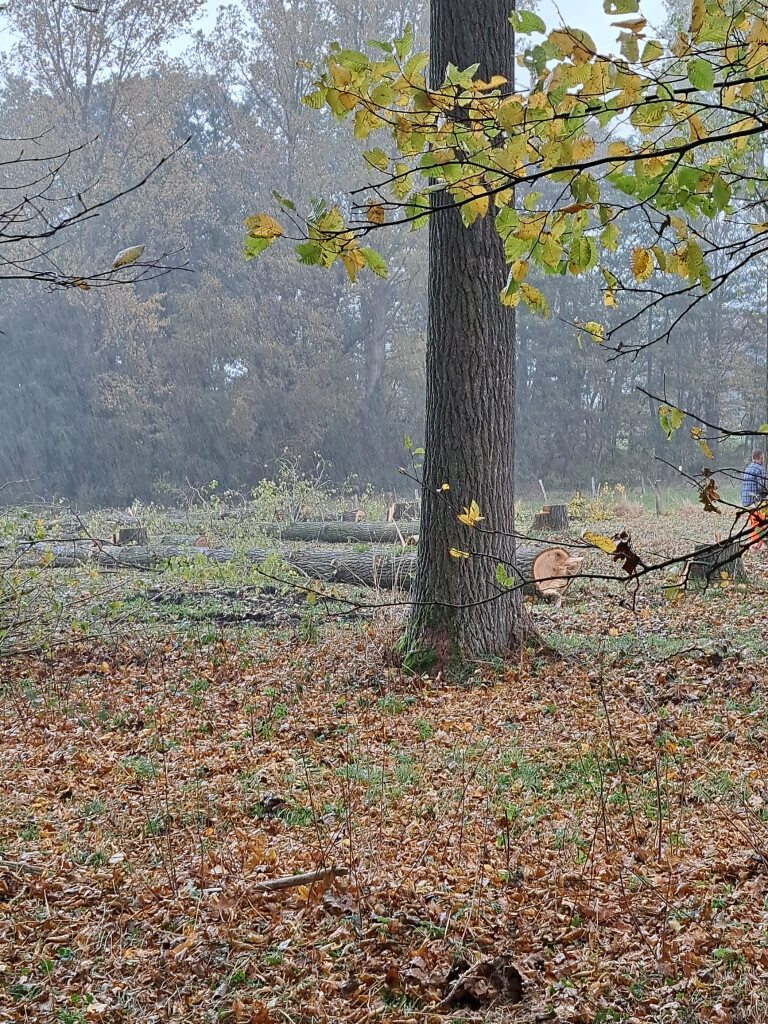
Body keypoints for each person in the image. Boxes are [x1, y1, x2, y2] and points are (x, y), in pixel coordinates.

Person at [742, 449, 767, 551]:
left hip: (746, 501)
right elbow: (762, 487)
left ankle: (757, 544)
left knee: (754, 524)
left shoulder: (747, 468)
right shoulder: (760, 469)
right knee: (759, 524)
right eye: (763, 458)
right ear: (761, 457)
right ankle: (756, 545)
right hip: (756, 502)